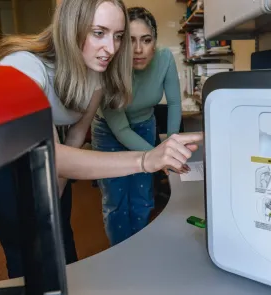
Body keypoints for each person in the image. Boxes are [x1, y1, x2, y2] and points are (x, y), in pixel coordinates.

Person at [0, 0, 201, 279]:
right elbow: (49, 155)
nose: (112, 49)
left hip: (46, 149)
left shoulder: (96, 74)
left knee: (60, 232)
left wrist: (55, 193)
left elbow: (76, 135)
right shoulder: (24, 66)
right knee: (27, 247)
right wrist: (146, 159)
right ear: (70, 28)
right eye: (99, 33)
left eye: (117, 36)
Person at [91, 7, 186, 246]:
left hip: (145, 125)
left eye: (146, 40)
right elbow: (121, 129)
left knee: (143, 196)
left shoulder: (164, 59)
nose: (138, 49)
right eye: (130, 41)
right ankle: (121, 255)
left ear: (155, 42)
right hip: (109, 132)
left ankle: (140, 248)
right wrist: (158, 156)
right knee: (117, 200)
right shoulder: (110, 68)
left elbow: (174, 102)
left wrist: (171, 145)